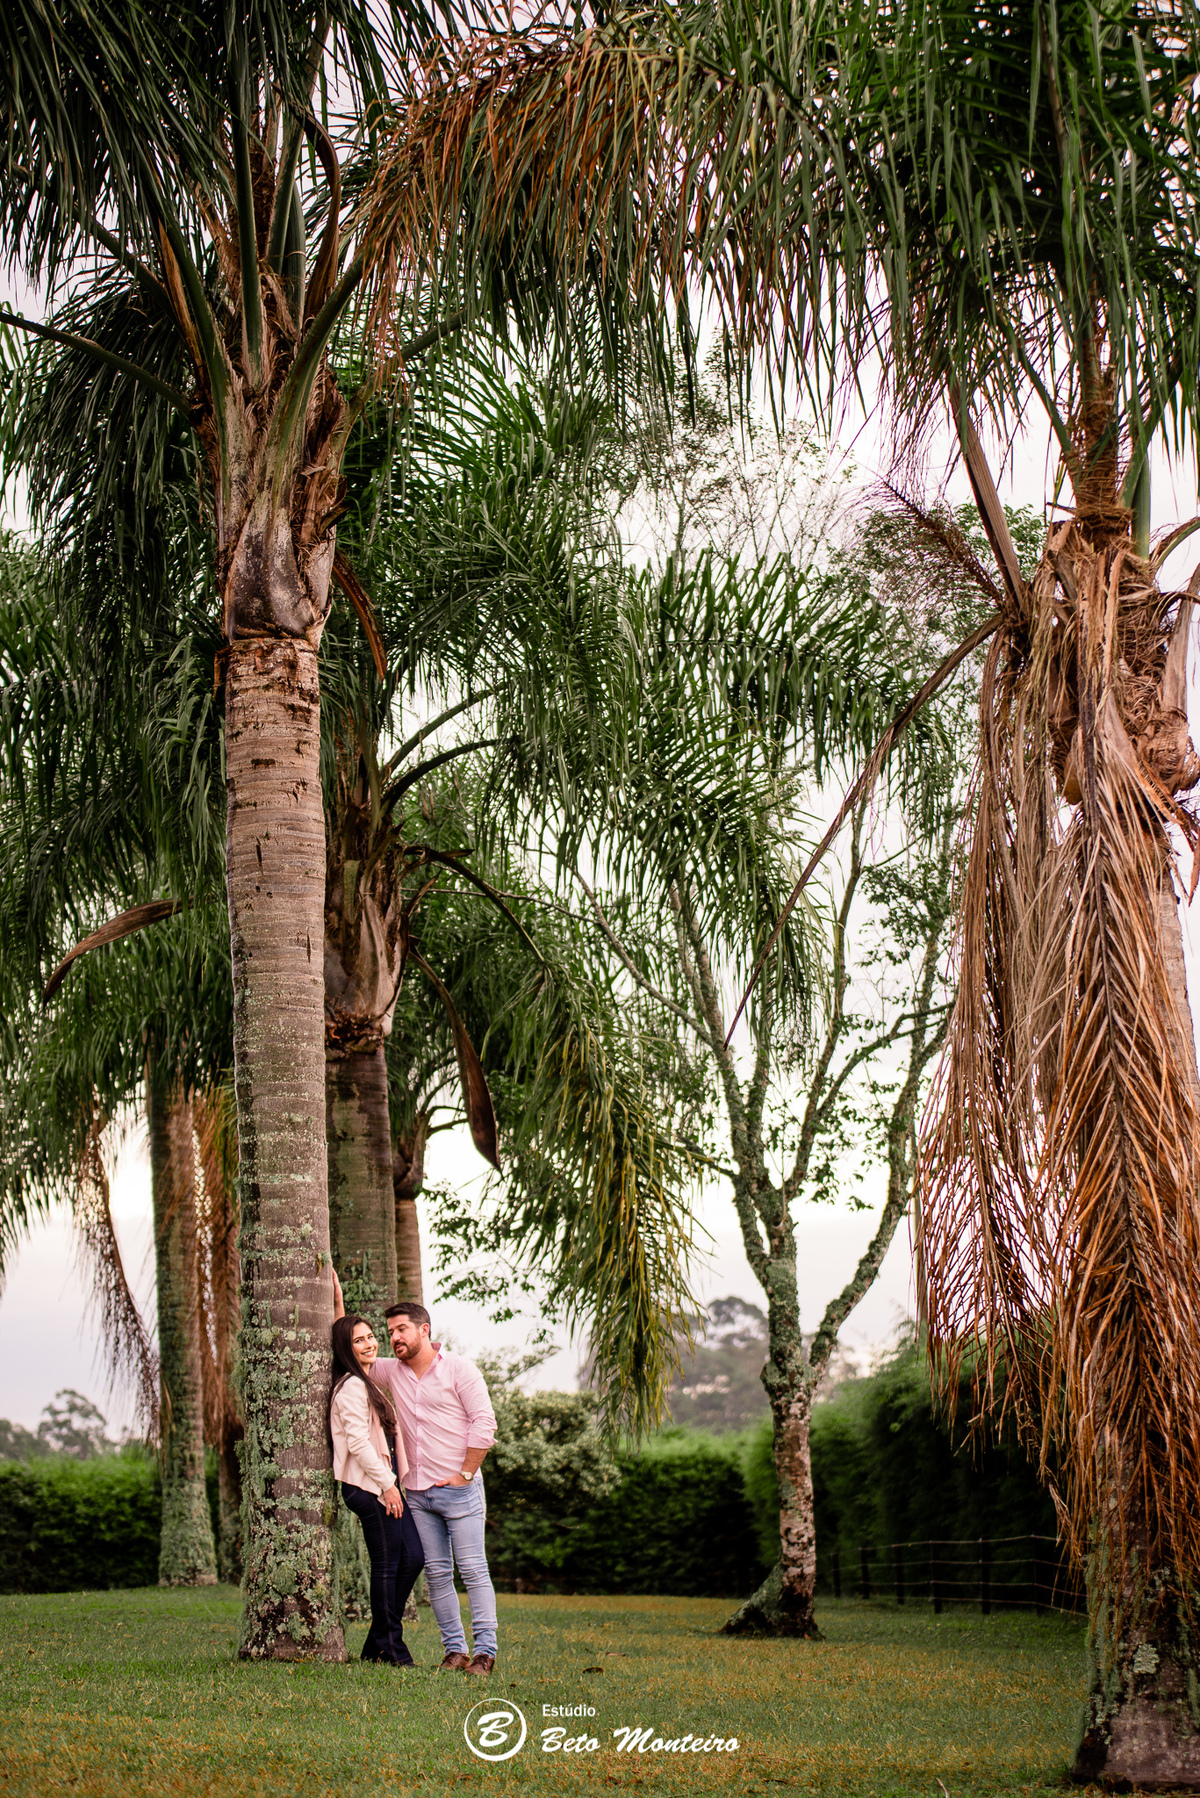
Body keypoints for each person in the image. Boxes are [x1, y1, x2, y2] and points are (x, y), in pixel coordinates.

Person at [329, 1313, 425, 1666]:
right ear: (346, 1348)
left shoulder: (366, 1381)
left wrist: (338, 1303)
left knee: (413, 1557)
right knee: (388, 1564)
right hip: (368, 1487)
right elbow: (357, 1442)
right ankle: (391, 1649)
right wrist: (387, 1486)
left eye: (371, 1336)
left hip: (384, 1485)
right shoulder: (353, 1386)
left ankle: (377, 1642)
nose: (370, 1343)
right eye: (359, 1340)